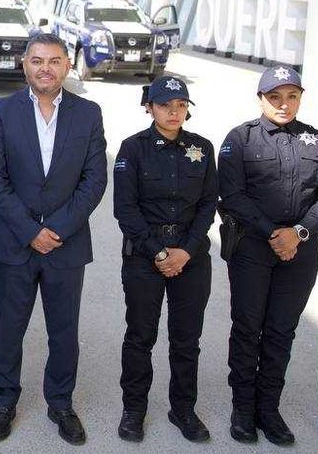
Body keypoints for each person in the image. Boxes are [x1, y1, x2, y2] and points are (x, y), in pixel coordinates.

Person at [0, 32, 107, 445]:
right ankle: (4, 401)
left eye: (54, 61)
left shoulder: (88, 113)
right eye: (37, 61)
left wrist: (58, 229)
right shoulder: (2, 111)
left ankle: (61, 403)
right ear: (24, 65)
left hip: (66, 244)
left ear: (67, 66)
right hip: (14, 243)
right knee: (9, 328)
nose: (45, 69)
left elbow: (94, 179)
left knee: (63, 331)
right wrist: (30, 230)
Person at [217, 65, 318, 445]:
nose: (284, 104)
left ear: (300, 98)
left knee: (281, 330)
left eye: (291, 96)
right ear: (261, 99)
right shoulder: (240, 140)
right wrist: (274, 232)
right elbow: (232, 195)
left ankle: (268, 408)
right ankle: (243, 407)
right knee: (247, 327)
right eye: (275, 97)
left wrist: (299, 232)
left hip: (300, 251)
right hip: (253, 248)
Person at [112, 75, 217, 443]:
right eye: (165, 106)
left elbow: (208, 205)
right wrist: (158, 252)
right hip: (145, 256)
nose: (174, 112)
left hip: (191, 256)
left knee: (187, 339)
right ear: (149, 108)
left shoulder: (202, 148)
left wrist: (185, 251)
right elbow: (126, 210)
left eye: (181, 106)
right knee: (141, 335)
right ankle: (134, 408)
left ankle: (183, 408)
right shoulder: (132, 148)